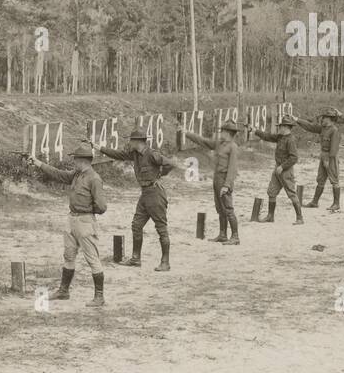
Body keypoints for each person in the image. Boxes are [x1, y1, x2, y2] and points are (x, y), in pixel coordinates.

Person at [29, 141, 109, 304]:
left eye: (75, 159)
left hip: (85, 222)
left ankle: (99, 297)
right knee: (69, 256)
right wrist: (38, 163)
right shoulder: (77, 174)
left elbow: (102, 206)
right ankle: (63, 291)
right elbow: (58, 174)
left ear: (82, 160)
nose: (74, 162)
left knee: (92, 259)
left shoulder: (94, 179)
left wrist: (87, 210)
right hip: (72, 219)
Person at [94, 129, 179, 271]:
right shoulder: (134, 154)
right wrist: (97, 147)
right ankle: (135, 258)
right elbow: (117, 155)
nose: (130, 142)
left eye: (132, 140)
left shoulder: (152, 154)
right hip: (145, 194)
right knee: (136, 225)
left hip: (155, 194)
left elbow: (170, 164)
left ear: (138, 141)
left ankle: (165, 262)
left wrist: (159, 176)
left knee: (161, 228)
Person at [182, 120, 242, 244]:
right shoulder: (220, 144)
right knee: (220, 208)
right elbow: (203, 141)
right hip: (217, 178)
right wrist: (187, 133)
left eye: (223, 131)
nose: (221, 133)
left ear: (228, 133)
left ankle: (235, 237)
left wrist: (227, 185)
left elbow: (232, 168)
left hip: (225, 179)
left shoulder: (233, 147)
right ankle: (223, 234)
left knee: (228, 208)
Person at [251, 115, 304, 223]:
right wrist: (255, 130)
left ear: (286, 127)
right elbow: (268, 136)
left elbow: (294, 158)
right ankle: (270, 217)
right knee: (271, 192)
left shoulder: (290, 140)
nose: (279, 127)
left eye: (281, 126)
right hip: (278, 168)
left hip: (285, 170)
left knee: (291, 193)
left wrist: (282, 166)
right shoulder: (280, 137)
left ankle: (300, 218)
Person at [290, 107, 343, 213]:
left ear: (330, 118)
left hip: (330, 157)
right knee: (320, 179)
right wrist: (297, 120)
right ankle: (315, 202)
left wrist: (328, 159)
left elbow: (334, 148)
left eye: (325, 117)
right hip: (323, 156)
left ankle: (336, 204)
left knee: (334, 180)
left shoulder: (334, 130)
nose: (322, 119)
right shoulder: (323, 128)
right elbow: (310, 127)